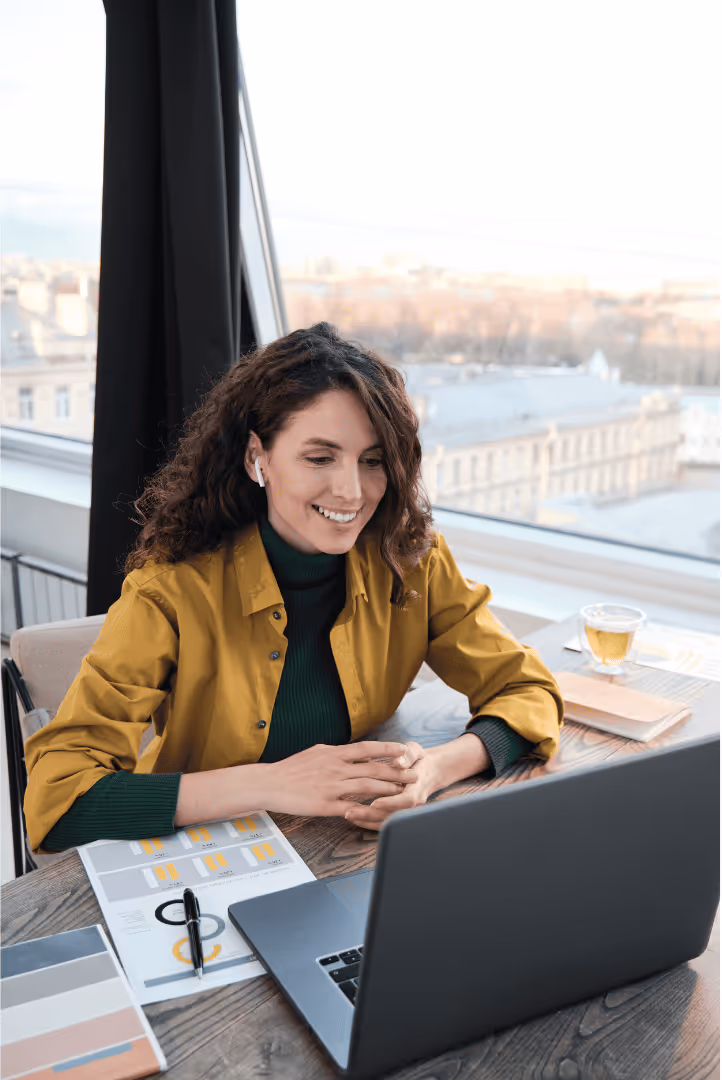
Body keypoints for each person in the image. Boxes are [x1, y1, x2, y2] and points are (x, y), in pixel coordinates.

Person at [24, 323, 564, 856]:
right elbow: (57, 801)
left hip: (343, 843)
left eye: (372, 460)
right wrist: (271, 783)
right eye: (319, 457)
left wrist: (435, 770)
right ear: (258, 457)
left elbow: (530, 692)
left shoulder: (412, 560)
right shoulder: (168, 592)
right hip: (198, 855)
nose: (352, 491)